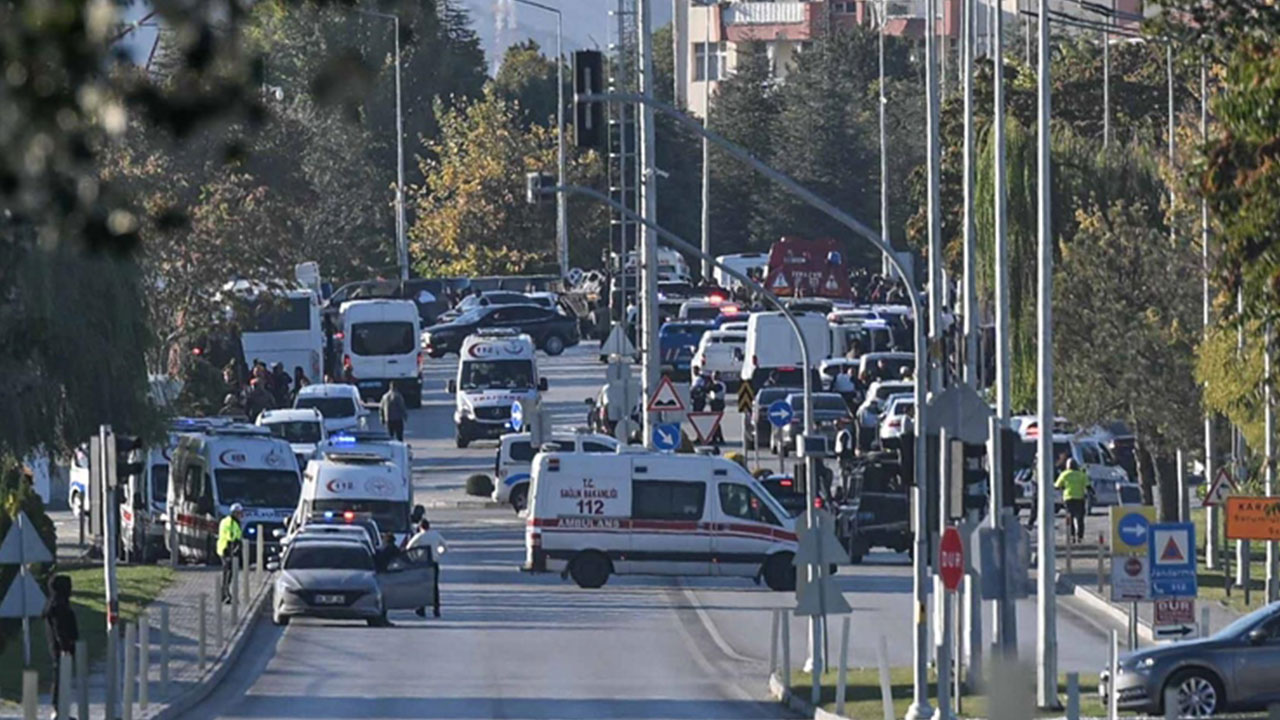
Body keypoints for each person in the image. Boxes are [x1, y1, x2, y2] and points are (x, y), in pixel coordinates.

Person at [43, 574, 78, 715]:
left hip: (61, 648)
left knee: (62, 677)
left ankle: (61, 709)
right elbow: (60, 628)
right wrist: (65, 646)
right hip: (62, 649)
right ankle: (59, 710)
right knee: (60, 677)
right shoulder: (58, 607)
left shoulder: (55, 604)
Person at [405, 519, 447, 617]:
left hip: (423, 564)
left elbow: (408, 548)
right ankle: (436, 609)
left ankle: (421, 608)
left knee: (422, 585)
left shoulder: (419, 536)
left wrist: (415, 556)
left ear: (420, 527)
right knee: (434, 587)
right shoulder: (435, 535)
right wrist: (438, 553)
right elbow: (445, 547)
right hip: (434, 563)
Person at [1055, 458, 1090, 543]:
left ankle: (1072, 536)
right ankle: (1080, 537)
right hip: (1079, 498)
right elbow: (1088, 486)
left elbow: (1056, 486)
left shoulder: (1064, 474)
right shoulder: (1081, 474)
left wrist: (1063, 487)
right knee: (1080, 518)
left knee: (1069, 518)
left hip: (1068, 498)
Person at [217, 504, 244, 604]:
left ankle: (224, 594)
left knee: (228, 573)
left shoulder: (231, 521)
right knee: (228, 573)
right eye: (240, 513)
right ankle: (225, 595)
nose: (241, 515)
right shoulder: (231, 522)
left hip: (225, 549)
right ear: (235, 513)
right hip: (226, 550)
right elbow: (230, 538)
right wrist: (233, 549)